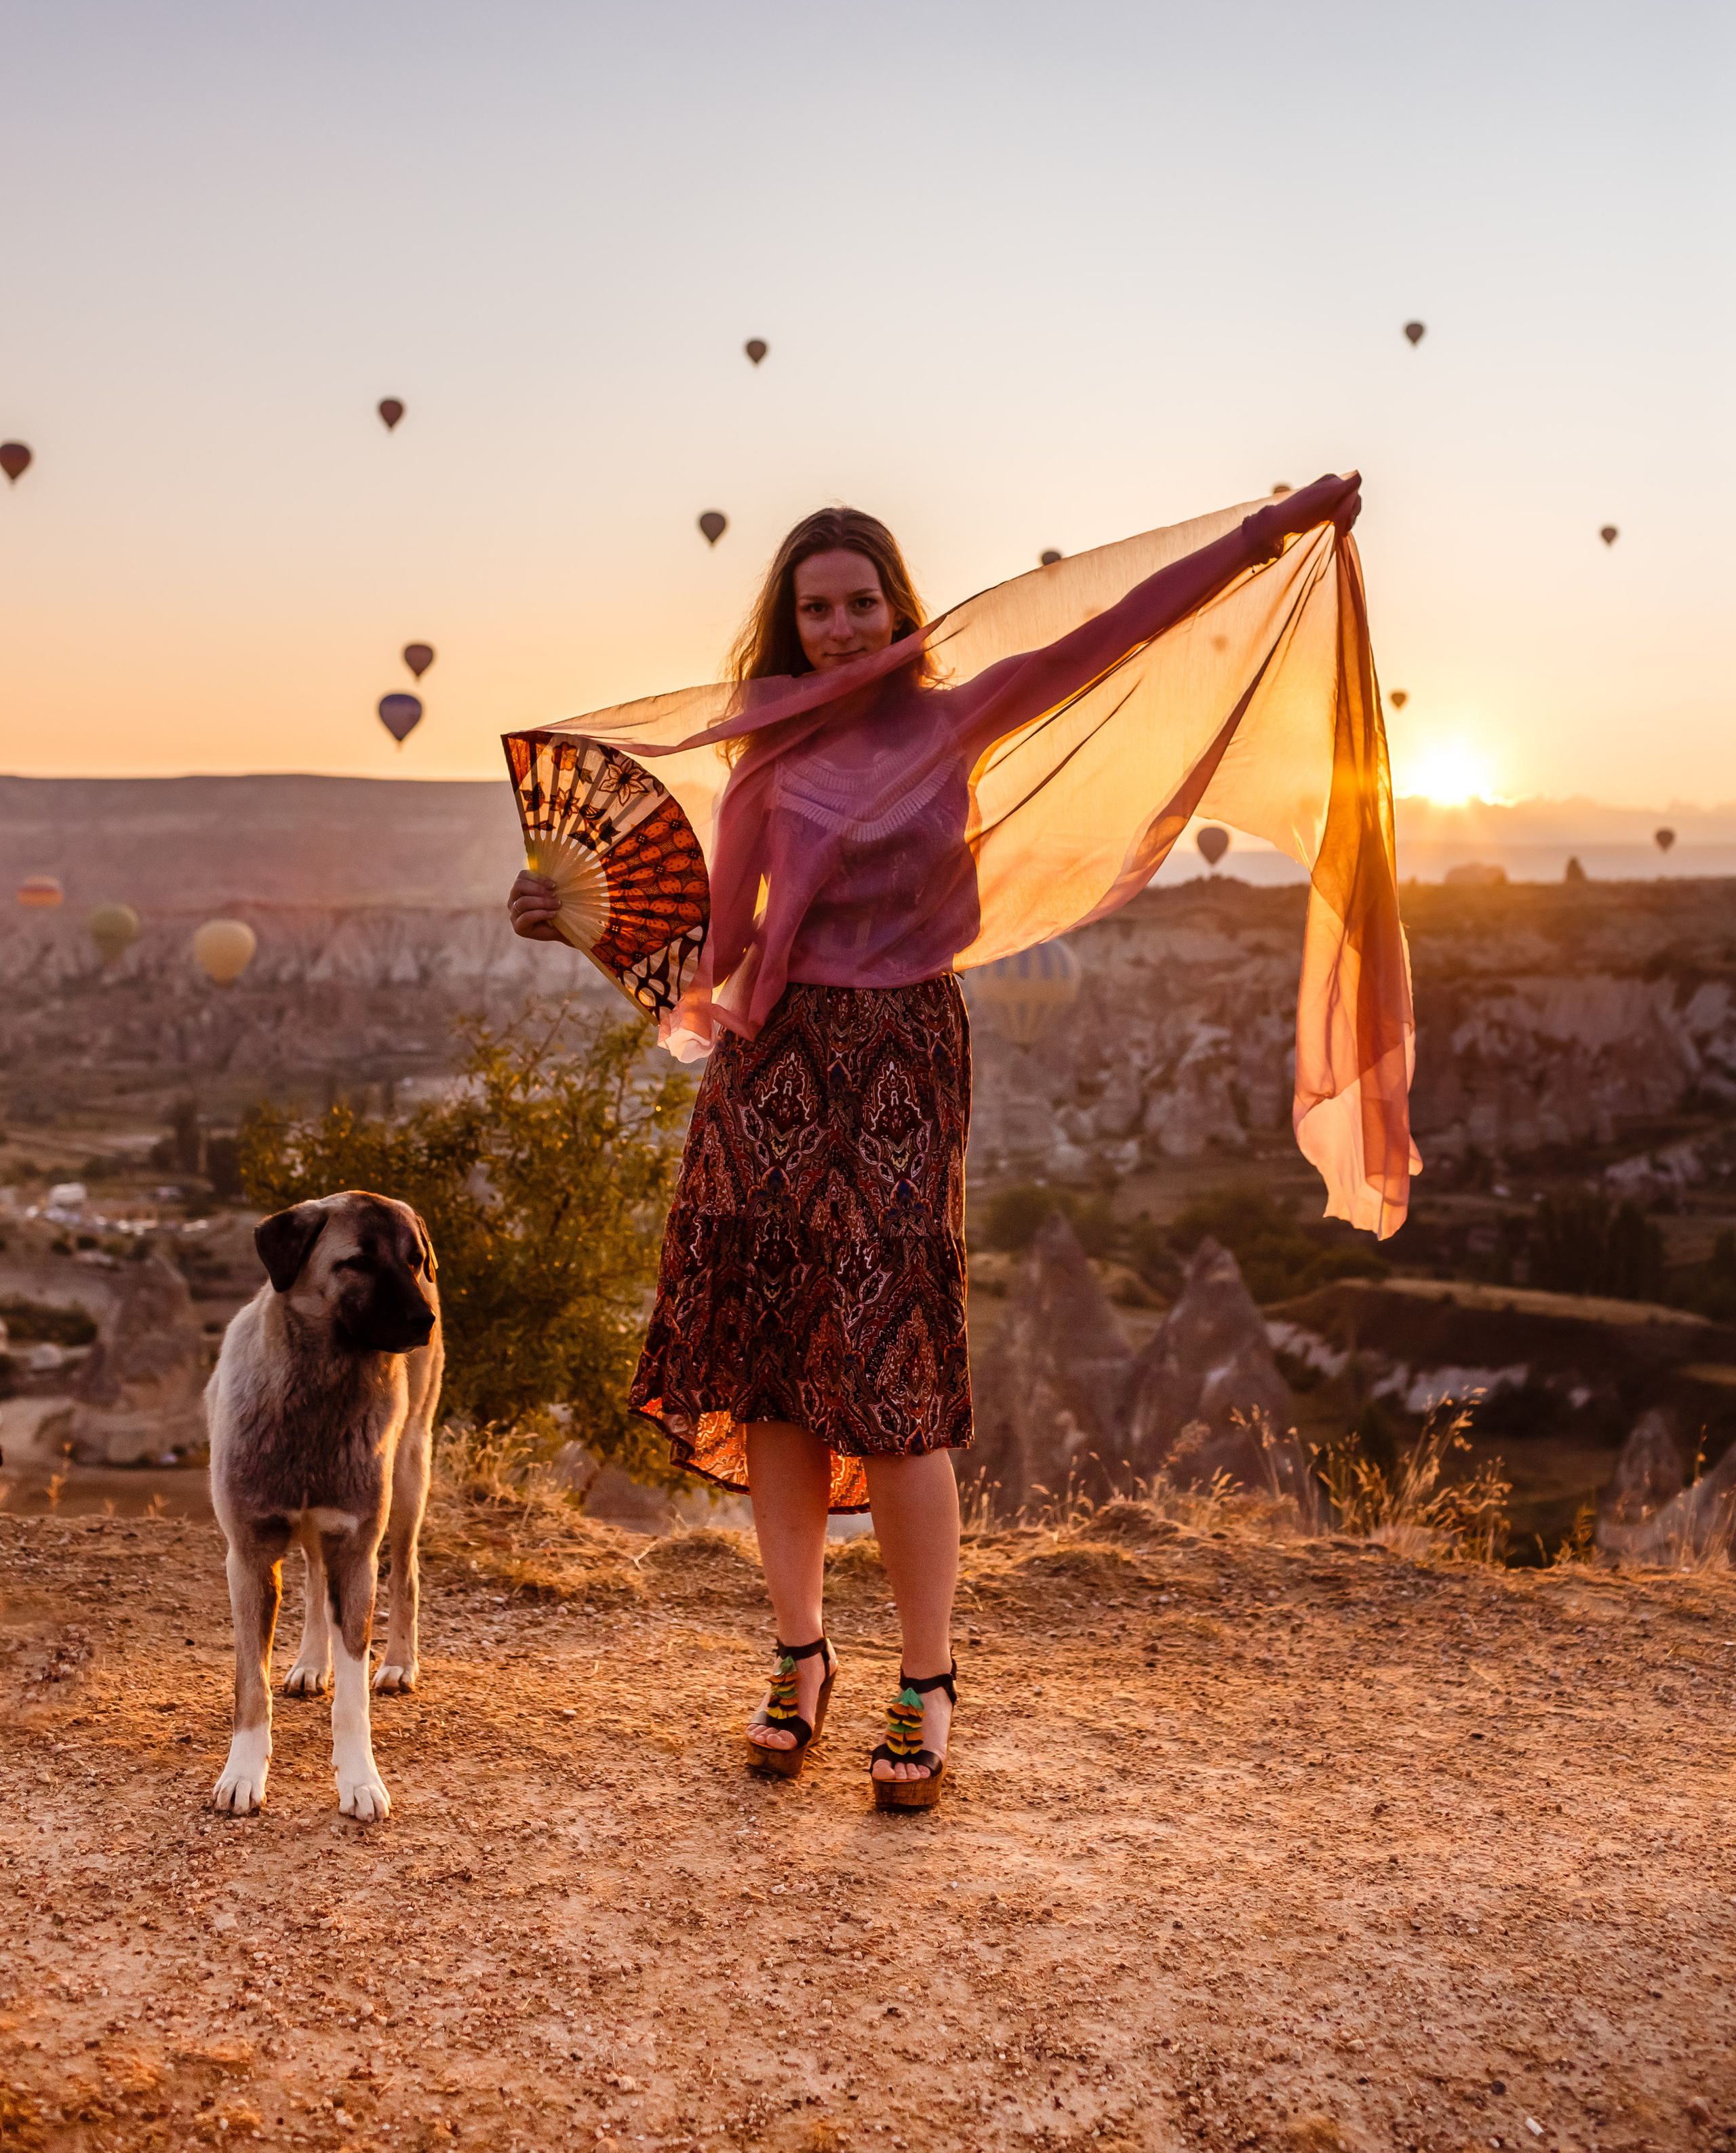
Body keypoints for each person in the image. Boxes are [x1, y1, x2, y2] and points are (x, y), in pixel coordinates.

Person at [508, 472, 1365, 1809]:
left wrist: (1267, 532)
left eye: (860, 603)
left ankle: (926, 1682)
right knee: (772, 1373)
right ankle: (799, 1656)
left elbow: (1116, 629)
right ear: (787, 625)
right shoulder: (764, 752)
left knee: (895, 1377)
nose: (840, 628)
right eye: (815, 610)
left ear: (898, 608)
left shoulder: (957, 715)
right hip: (769, 1070)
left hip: (903, 1060)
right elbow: (721, 948)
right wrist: (578, 919)